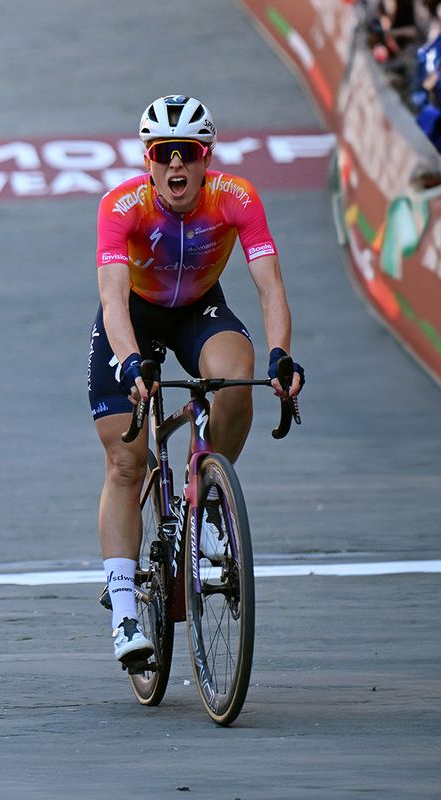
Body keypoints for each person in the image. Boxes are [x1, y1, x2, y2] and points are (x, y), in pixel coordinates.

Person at [88, 95, 305, 667]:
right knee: (126, 461)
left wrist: (282, 355)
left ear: (207, 156)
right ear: (149, 159)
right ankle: (124, 606)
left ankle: (206, 499)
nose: (176, 164)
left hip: (199, 311)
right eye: (164, 153)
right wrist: (130, 362)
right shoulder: (121, 206)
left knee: (234, 380)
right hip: (134, 318)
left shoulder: (236, 198)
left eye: (187, 151)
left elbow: (270, 286)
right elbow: (112, 300)